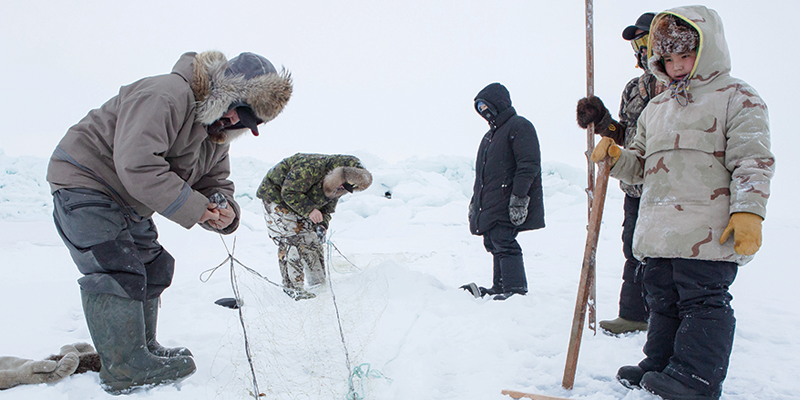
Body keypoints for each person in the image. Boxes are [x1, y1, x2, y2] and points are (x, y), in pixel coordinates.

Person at [46, 51, 293, 393]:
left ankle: (141, 350)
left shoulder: (216, 134)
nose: (236, 119)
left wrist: (224, 211)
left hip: (129, 200)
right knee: (119, 268)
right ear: (225, 90)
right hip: (85, 182)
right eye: (240, 108)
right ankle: (124, 368)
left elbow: (215, 182)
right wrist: (193, 207)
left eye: (248, 120)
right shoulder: (166, 95)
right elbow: (137, 164)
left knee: (154, 265)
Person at [591, 6, 774, 399]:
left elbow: (752, 160)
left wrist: (748, 212)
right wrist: (615, 158)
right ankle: (661, 363)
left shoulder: (736, 98)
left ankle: (695, 379)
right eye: (668, 58)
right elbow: (639, 165)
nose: (676, 66)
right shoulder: (655, 109)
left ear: (707, 49)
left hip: (707, 231)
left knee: (702, 301)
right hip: (659, 230)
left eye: (685, 55)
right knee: (662, 300)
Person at [576, 12, 664, 336]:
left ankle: (668, 318)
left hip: (668, 189)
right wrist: (601, 122)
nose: (641, 48)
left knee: (664, 256)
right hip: (635, 186)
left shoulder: (676, 84)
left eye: (646, 40)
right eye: (637, 43)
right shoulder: (635, 88)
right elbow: (624, 133)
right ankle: (633, 314)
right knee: (633, 247)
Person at [463, 83, 545, 301]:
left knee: (504, 240)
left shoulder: (519, 126)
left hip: (507, 198)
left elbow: (528, 165)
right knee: (493, 241)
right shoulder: (489, 137)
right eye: (480, 109)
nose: (484, 112)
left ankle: (516, 288)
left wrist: (519, 198)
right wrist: (475, 203)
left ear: (498, 103)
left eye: (486, 106)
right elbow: (481, 175)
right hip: (491, 201)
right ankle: (500, 286)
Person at [256, 153, 372, 300]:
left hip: (302, 203)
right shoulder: (309, 167)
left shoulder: (341, 185)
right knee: (292, 240)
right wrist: (310, 210)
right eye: (343, 186)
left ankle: (318, 285)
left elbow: (328, 207)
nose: (343, 189)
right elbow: (289, 192)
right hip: (278, 198)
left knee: (312, 240)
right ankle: (293, 288)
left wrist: (322, 224)